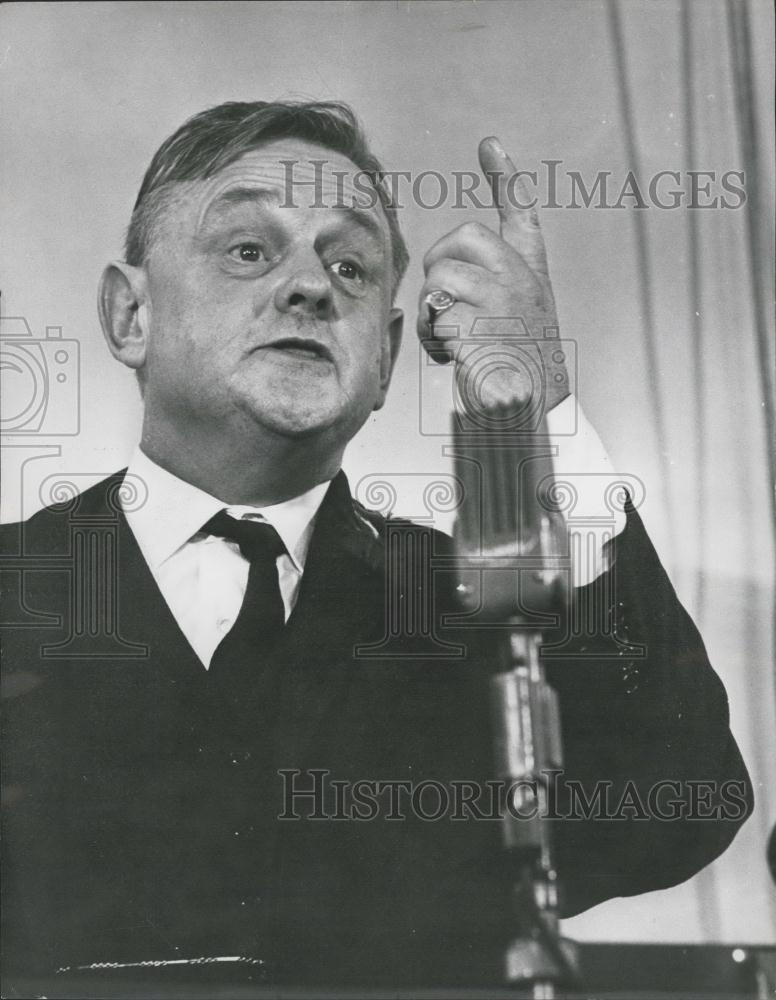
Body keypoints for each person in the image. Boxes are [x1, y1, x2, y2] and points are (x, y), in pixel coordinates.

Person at [0, 101, 752, 991]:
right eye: (249, 249)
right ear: (130, 315)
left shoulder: (475, 613)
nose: (312, 287)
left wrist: (540, 399)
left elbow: (681, 798)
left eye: (351, 266)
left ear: (387, 361)